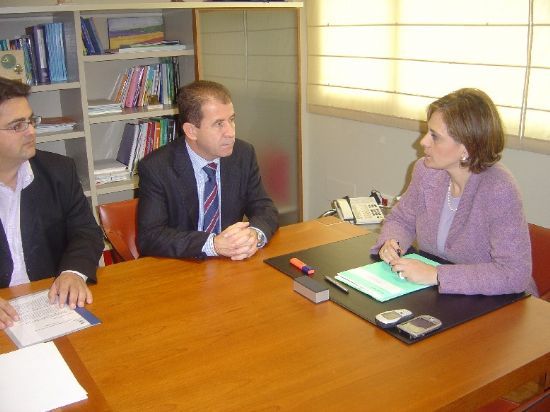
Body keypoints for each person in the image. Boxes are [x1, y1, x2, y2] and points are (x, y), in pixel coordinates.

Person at [372, 88, 537, 296]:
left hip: (498, 304)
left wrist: (437, 275)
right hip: (437, 296)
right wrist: (392, 242)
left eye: (435, 136)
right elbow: (401, 220)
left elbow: (514, 273)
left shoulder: (499, 189)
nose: (423, 142)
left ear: (466, 148)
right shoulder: (425, 171)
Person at [0, 77, 104, 329]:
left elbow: (86, 232)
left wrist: (73, 271)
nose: (31, 131)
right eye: (17, 126)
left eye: (31, 121)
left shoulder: (58, 170)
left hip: (50, 303)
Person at [137, 80, 278, 260]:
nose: (231, 132)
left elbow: (265, 208)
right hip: (182, 267)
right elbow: (150, 237)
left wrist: (254, 234)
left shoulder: (243, 154)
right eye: (219, 124)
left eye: (232, 120)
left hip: (230, 265)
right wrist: (212, 244)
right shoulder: (157, 167)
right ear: (191, 131)